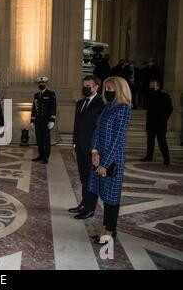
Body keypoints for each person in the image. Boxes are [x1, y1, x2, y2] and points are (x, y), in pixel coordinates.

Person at [89, 76, 132, 245]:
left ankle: (109, 231)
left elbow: (117, 139)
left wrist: (105, 163)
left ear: (120, 90)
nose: (107, 92)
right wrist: (94, 152)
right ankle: (105, 229)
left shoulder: (123, 109)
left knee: (112, 198)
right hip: (100, 156)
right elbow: (97, 130)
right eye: (106, 88)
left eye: (111, 89)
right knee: (105, 196)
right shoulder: (107, 107)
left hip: (113, 159)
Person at [70, 76, 105, 220]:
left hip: (92, 149)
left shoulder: (101, 104)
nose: (85, 88)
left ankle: (90, 208)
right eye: (84, 85)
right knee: (84, 177)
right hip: (80, 147)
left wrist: (96, 149)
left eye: (88, 86)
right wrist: (74, 144)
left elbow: (99, 129)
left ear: (96, 87)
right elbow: (77, 126)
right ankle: (84, 203)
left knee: (91, 179)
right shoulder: (80, 103)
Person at [141, 79, 173, 165]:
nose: (151, 86)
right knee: (150, 141)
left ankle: (166, 158)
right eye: (150, 85)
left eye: (153, 85)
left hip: (160, 123)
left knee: (162, 141)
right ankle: (149, 156)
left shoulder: (165, 96)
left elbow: (170, 109)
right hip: (151, 122)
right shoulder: (148, 95)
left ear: (158, 86)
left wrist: (164, 118)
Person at [30, 77, 57, 164]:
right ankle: (41, 155)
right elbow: (34, 108)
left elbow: (53, 107)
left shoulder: (51, 94)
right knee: (39, 139)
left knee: (46, 140)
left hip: (46, 121)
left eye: (43, 83)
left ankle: (46, 157)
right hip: (38, 121)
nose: (41, 84)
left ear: (46, 84)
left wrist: (52, 120)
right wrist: (32, 121)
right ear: (38, 84)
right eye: (40, 83)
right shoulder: (36, 95)